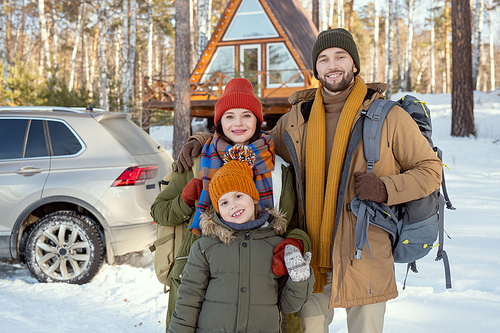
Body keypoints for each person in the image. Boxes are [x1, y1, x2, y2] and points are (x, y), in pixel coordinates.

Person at [174, 28, 443, 333]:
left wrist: (385, 188)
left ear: (354, 64)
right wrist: (203, 140)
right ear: (315, 68)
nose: (333, 65)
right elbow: (251, 143)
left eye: (341, 56)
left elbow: (431, 170)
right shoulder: (296, 118)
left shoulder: (388, 117)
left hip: (364, 254)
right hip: (309, 260)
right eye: (324, 59)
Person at [150, 77, 311, 332]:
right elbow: (159, 212)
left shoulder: (280, 169)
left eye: (246, 115)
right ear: (219, 122)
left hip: (262, 287)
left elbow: (293, 225)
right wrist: (185, 201)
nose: (238, 123)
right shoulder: (197, 163)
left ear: (257, 120)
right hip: (199, 278)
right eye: (229, 116)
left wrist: (296, 243)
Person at [168, 146, 314, 332]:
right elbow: (188, 300)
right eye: (224, 202)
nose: (233, 205)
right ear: (218, 209)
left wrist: (300, 279)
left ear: (253, 198)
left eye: (238, 195)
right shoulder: (205, 247)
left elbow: (288, 306)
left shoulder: (275, 245)